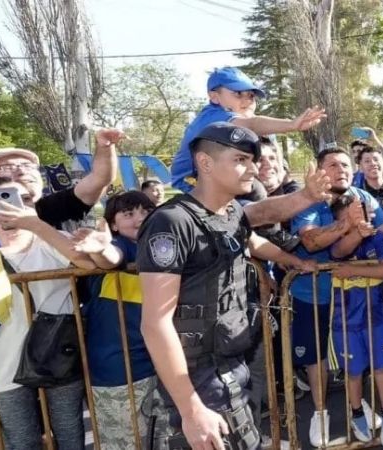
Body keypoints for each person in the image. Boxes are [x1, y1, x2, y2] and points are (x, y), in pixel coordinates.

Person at [137, 122, 328, 449]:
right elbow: (155, 324)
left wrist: (294, 261)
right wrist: (191, 408)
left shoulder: (230, 214)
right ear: (205, 163)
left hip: (232, 366)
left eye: (252, 160)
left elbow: (254, 234)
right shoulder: (171, 222)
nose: (253, 168)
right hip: (196, 377)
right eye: (241, 159)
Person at [289, 147, 383, 447]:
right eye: (331, 164)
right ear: (319, 169)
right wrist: (348, 225)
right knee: (317, 358)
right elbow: (312, 242)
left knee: (365, 359)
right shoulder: (308, 198)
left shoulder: (362, 196)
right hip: (313, 293)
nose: (339, 169)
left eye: (344, 163)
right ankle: (321, 411)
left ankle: (369, 407)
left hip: (362, 299)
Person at [0, 177, 96, 449]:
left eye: (25, 199)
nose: (13, 205)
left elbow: (89, 264)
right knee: (21, 442)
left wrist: (36, 226)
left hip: (57, 354)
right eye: (2, 198)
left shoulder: (51, 240)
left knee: (70, 435)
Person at [72, 191, 158, 449]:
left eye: (145, 211)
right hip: (117, 372)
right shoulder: (123, 245)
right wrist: (99, 249)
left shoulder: (162, 245)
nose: (139, 218)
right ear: (113, 224)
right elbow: (110, 258)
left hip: (157, 367)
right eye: (129, 214)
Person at [171, 66, 326, 192]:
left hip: (225, 182)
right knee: (256, 193)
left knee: (289, 191)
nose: (247, 101)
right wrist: (292, 124)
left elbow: (275, 153)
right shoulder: (213, 116)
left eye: (251, 96)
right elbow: (251, 124)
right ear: (214, 97)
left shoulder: (258, 127)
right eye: (238, 94)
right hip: (190, 187)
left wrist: (284, 180)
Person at [327, 194, 383, 446]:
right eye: (351, 215)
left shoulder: (377, 237)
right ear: (339, 221)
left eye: (361, 213)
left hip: (376, 316)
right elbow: (338, 253)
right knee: (354, 371)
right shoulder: (334, 240)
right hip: (344, 321)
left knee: (381, 367)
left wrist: (354, 271)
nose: (359, 219)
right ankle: (357, 413)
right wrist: (355, 232)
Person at [0, 129, 121, 230]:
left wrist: (105, 147)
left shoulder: (54, 207)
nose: (22, 171)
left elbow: (100, 179)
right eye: (7, 167)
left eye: (28, 165)